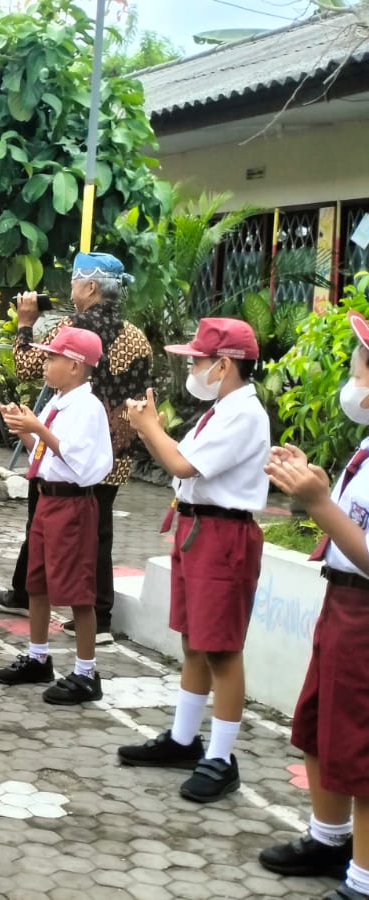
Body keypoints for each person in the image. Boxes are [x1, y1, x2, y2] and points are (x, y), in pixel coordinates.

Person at [113, 318, 269, 802]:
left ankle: (221, 758)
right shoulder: (222, 409)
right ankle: (184, 740)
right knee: (194, 641)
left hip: (224, 534)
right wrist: (152, 431)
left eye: (198, 360)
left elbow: (182, 464)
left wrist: (148, 428)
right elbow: (183, 460)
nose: (192, 368)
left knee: (221, 648)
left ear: (224, 365)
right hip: (199, 527)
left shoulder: (245, 414)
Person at [260, 310, 369, 898]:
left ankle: (363, 879)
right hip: (342, 604)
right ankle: (329, 839)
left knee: (361, 746)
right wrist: (317, 486)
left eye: (359, 365)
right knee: (322, 724)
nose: (353, 374)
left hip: (365, 612)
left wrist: (320, 504)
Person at [0, 252, 153, 643]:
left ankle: (32, 594)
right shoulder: (137, 337)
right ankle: (100, 614)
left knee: (44, 521)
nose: (71, 292)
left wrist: (25, 325)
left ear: (91, 287)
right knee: (98, 533)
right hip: (114, 452)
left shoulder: (71, 329)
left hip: (65, 451)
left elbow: (27, 367)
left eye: (74, 284)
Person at [0, 327, 113, 706]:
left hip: (73, 504)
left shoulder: (88, 408)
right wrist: (24, 429)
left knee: (77, 590)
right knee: (38, 582)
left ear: (75, 366)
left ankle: (86, 672)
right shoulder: (59, 402)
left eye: (51, 358)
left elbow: (75, 458)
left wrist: (38, 428)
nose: (45, 364)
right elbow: (43, 452)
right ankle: (38, 656)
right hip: (47, 499)